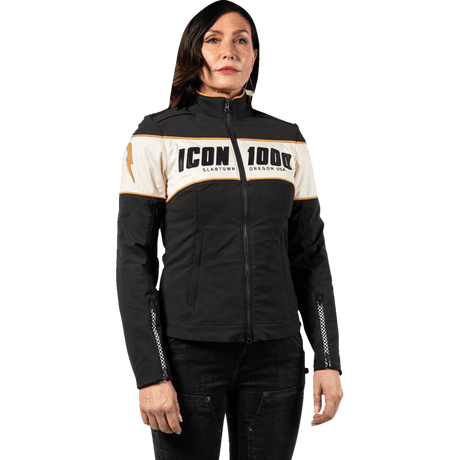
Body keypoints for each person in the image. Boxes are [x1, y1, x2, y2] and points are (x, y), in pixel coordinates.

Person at [115, 1, 345, 458]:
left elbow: (311, 256)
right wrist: (151, 373)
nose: (230, 50)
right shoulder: (156, 134)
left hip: (277, 355)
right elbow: (133, 259)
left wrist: (327, 359)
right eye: (214, 39)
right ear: (193, 52)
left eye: (242, 40)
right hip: (188, 355)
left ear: (255, 55)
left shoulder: (288, 139)